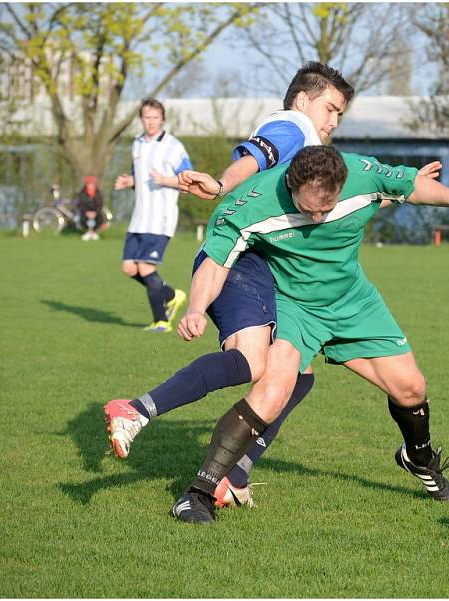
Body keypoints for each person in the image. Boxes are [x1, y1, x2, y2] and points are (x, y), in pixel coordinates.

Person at [169, 145, 449, 523]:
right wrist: (195, 308)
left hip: (352, 301)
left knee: (411, 389)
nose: (319, 217)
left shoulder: (360, 172)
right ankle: (198, 494)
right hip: (293, 305)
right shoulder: (254, 203)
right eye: (309, 210)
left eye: (327, 208)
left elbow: (409, 185)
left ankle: (418, 459)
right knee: (273, 392)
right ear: (292, 185)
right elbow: (215, 260)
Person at [105, 63, 358, 508]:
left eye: (340, 114)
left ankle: (236, 473)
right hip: (239, 261)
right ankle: (138, 409)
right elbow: (257, 156)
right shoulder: (293, 125)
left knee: (298, 373)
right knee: (252, 360)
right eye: (330, 108)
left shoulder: (307, 139)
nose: (333, 121)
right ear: (303, 99)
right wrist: (222, 182)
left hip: (259, 264)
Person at [113, 98, 191, 333]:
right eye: (147, 117)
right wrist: (129, 181)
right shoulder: (137, 144)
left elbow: (188, 180)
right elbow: (141, 178)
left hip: (161, 219)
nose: (151, 122)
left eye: (155, 117)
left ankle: (162, 321)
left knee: (146, 268)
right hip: (140, 217)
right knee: (129, 268)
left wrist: (166, 180)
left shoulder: (173, 146)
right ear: (141, 119)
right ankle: (171, 294)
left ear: (163, 119)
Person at [76, 175, 105, 241]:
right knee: (81, 218)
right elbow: (80, 205)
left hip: (96, 214)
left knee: (99, 218)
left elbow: (100, 205)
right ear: (86, 184)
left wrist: (95, 213)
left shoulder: (98, 194)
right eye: (89, 183)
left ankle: (92, 233)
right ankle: (89, 233)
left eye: (92, 184)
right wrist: (86, 212)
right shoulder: (81, 193)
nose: (90, 185)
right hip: (85, 213)